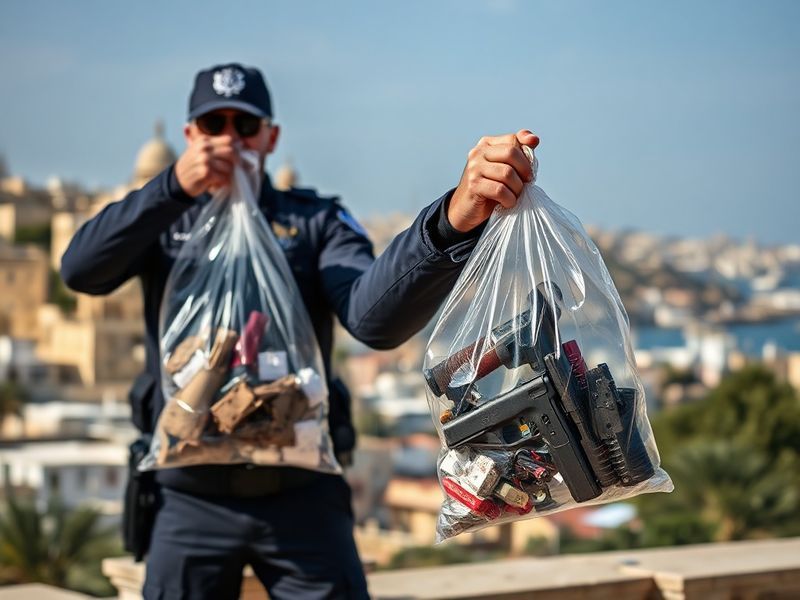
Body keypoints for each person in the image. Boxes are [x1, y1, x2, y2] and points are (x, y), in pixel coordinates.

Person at [61, 63, 539, 600]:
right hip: (189, 496)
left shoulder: (314, 223)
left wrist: (453, 220)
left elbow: (371, 318)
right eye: (212, 124)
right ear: (190, 135)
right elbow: (81, 270)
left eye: (243, 125)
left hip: (302, 491)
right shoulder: (164, 220)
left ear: (270, 137)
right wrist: (172, 186)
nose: (228, 138)